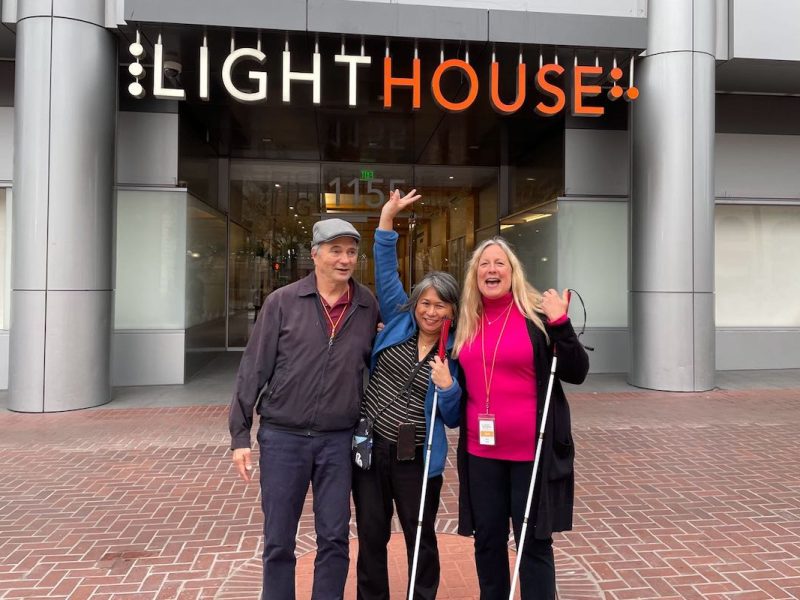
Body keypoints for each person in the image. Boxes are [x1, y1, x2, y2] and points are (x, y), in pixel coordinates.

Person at [228, 218, 380, 600]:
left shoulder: (366, 304)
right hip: (283, 438)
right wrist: (240, 434)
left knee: (335, 537)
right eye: (335, 250)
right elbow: (253, 368)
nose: (344, 259)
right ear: (315, 254)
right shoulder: (283, 301)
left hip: (338, 441)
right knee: (278, 540)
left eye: (351, 251)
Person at [452, 236, 589, 600]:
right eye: (484, 264)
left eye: (500, 263)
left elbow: (576, 372)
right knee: (488, 541)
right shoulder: (465, 322)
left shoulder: (537, 319)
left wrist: (561, 323)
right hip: (481, 454)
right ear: (474, 275)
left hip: (531, 454)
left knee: (533, 543)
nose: (492, 269)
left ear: (513, 272)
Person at [352, 189, 462, 600]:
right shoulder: (399, 320)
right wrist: (386, 221)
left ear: (453, 311)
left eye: (441, 306)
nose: (431, 312)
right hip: (369, 447)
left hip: (414, 456)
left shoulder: (455, 353)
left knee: (421, 539)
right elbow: (385, 272)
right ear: (415, 304)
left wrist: (447, 386)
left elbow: (452, 417)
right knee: (371, 535)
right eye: (426, 303)